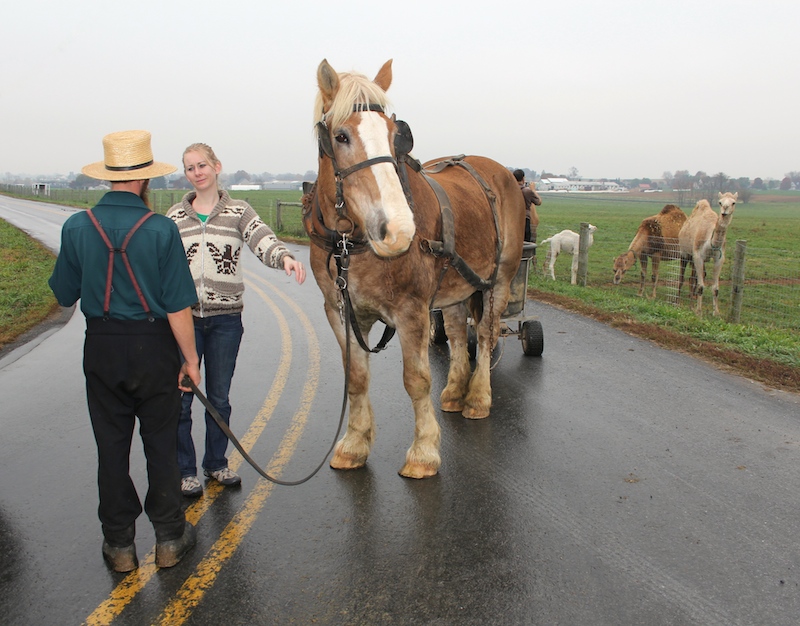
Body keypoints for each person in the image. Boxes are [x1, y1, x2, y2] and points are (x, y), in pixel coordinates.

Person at [48, 130, 201, 573]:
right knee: (161, 445)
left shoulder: (78, 226)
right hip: (154, 347)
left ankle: (119, 546)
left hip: (101, 347)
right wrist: (189, 361)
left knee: (111, 448)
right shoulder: (160, 229)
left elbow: (63, 294)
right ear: (145, 179)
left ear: (109, 177)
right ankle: (170, 537)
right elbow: (177, 307)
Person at [167, 143, 306, 498]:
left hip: (226, 320)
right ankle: (185, 471)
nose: (197, 172)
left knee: (219, 397)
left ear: (216, 167)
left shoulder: (238, 211)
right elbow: (159, 266)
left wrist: (285, 258)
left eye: (202, 165)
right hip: (185, 323)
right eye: (190, 168)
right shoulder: (174, 219)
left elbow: (263, 240)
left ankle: (215, 463)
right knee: (182, 398)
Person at [513, 169, 542, 245]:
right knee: (526, 243)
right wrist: (533, 190)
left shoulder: (510, 191)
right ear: (523, 179)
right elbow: (538, 202)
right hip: (525, 219)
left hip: (512, 219)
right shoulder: (527, 191)